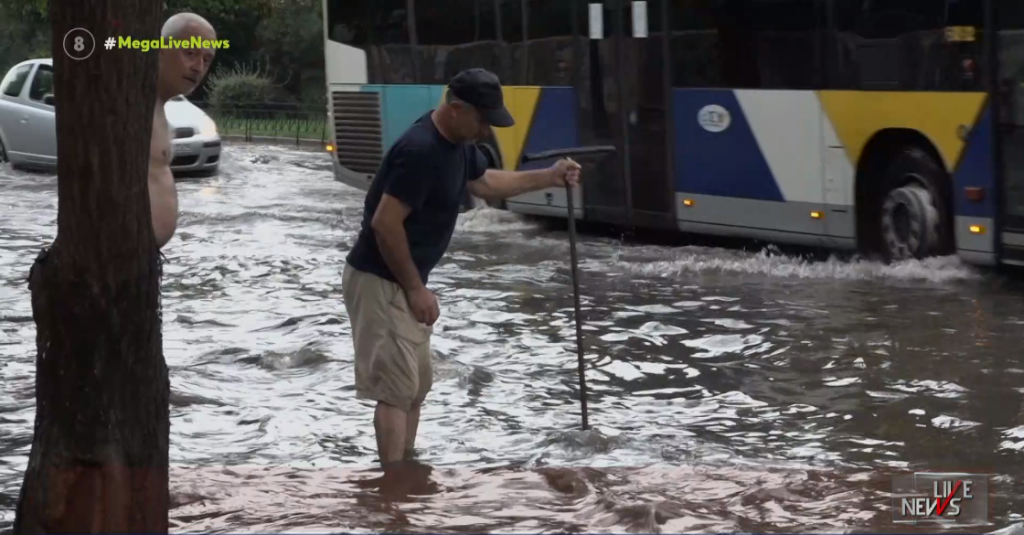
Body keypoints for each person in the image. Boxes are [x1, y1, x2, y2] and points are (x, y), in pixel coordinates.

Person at [342, 68, 583, 467]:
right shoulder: (421, 150)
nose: (487, 130)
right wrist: (416, 289)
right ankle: (392, 489)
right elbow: (384, 224)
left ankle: (406, 477)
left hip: (401, 280)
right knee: (397, 391)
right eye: (483, 120)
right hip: (380, 280)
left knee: (415, 388)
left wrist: (550, 176)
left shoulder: (455, 144)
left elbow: (485, 184)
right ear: (456, 109)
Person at [150, 12, 219, 249]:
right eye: (190, 53)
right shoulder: (132, 107)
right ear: (160, 48)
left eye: (207, 60)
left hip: (141, 261)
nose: (198, 67)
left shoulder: (160, 104)